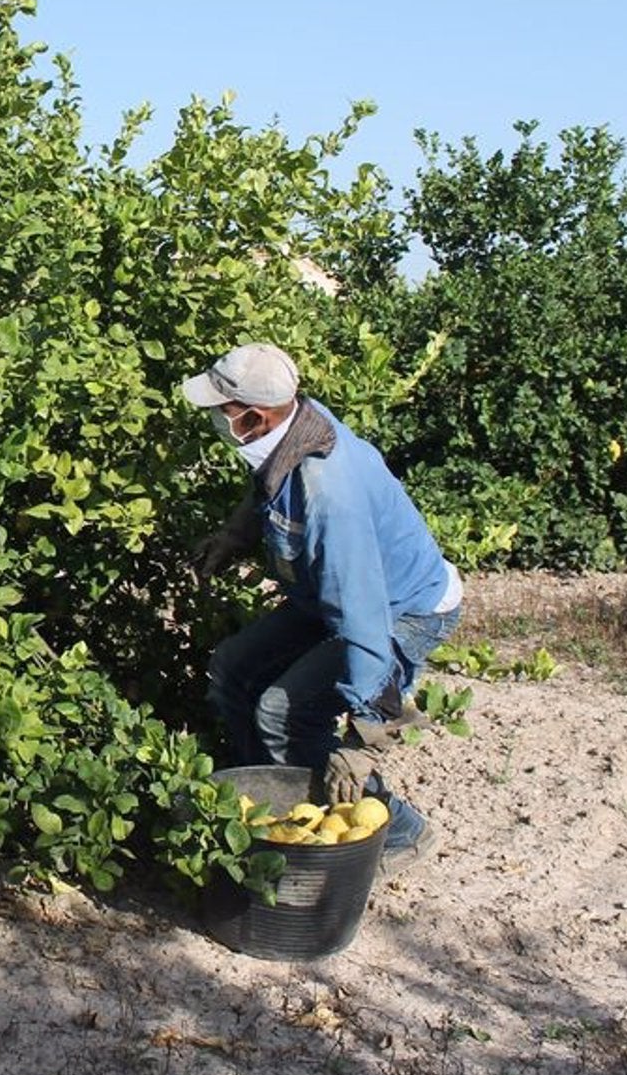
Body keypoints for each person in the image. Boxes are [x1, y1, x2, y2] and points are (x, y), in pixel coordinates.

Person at [183, 342, 462, 877]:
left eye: (221, 408)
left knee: (287, 714)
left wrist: (366, 730)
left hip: (401, 610)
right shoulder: (291, 431)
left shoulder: (330, 495)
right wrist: (234, 536)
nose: (215, 417)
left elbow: (364, 624)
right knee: (234, 669)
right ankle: (271, 805)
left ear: (252, 415)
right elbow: (265, 490)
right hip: (328, 599)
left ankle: (400, 831)